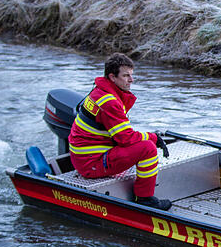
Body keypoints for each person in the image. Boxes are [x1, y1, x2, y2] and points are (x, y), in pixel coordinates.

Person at [67, 53, 172, 210]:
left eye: (131, 75)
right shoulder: (109, 102)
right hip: (91, 163)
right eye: (126, 75)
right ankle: (145, 199)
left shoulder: (99, 91)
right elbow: (125, 137)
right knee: (148, 149)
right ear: (112, 77)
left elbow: (120, 134)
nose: (131, 80)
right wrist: (153, 138)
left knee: (143, 143)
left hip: (84, 157)